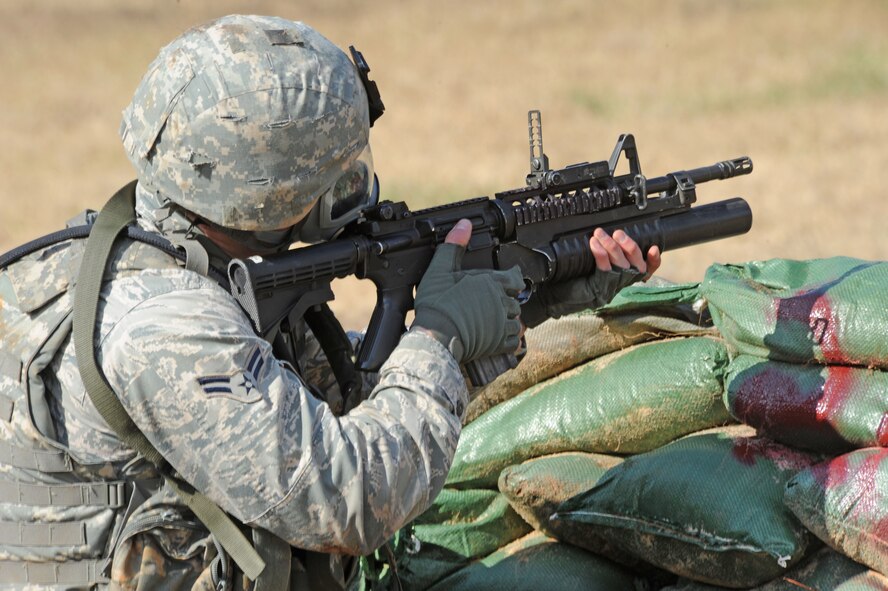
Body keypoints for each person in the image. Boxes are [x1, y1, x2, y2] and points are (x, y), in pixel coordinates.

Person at [0, 14, 659, 590]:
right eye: (335, 173)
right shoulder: (165, 328)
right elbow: (351, 499)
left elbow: (337, 404)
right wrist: (441, 334)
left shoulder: (168, 257)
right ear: (267, 192)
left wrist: (526, 296)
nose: (356, 185)